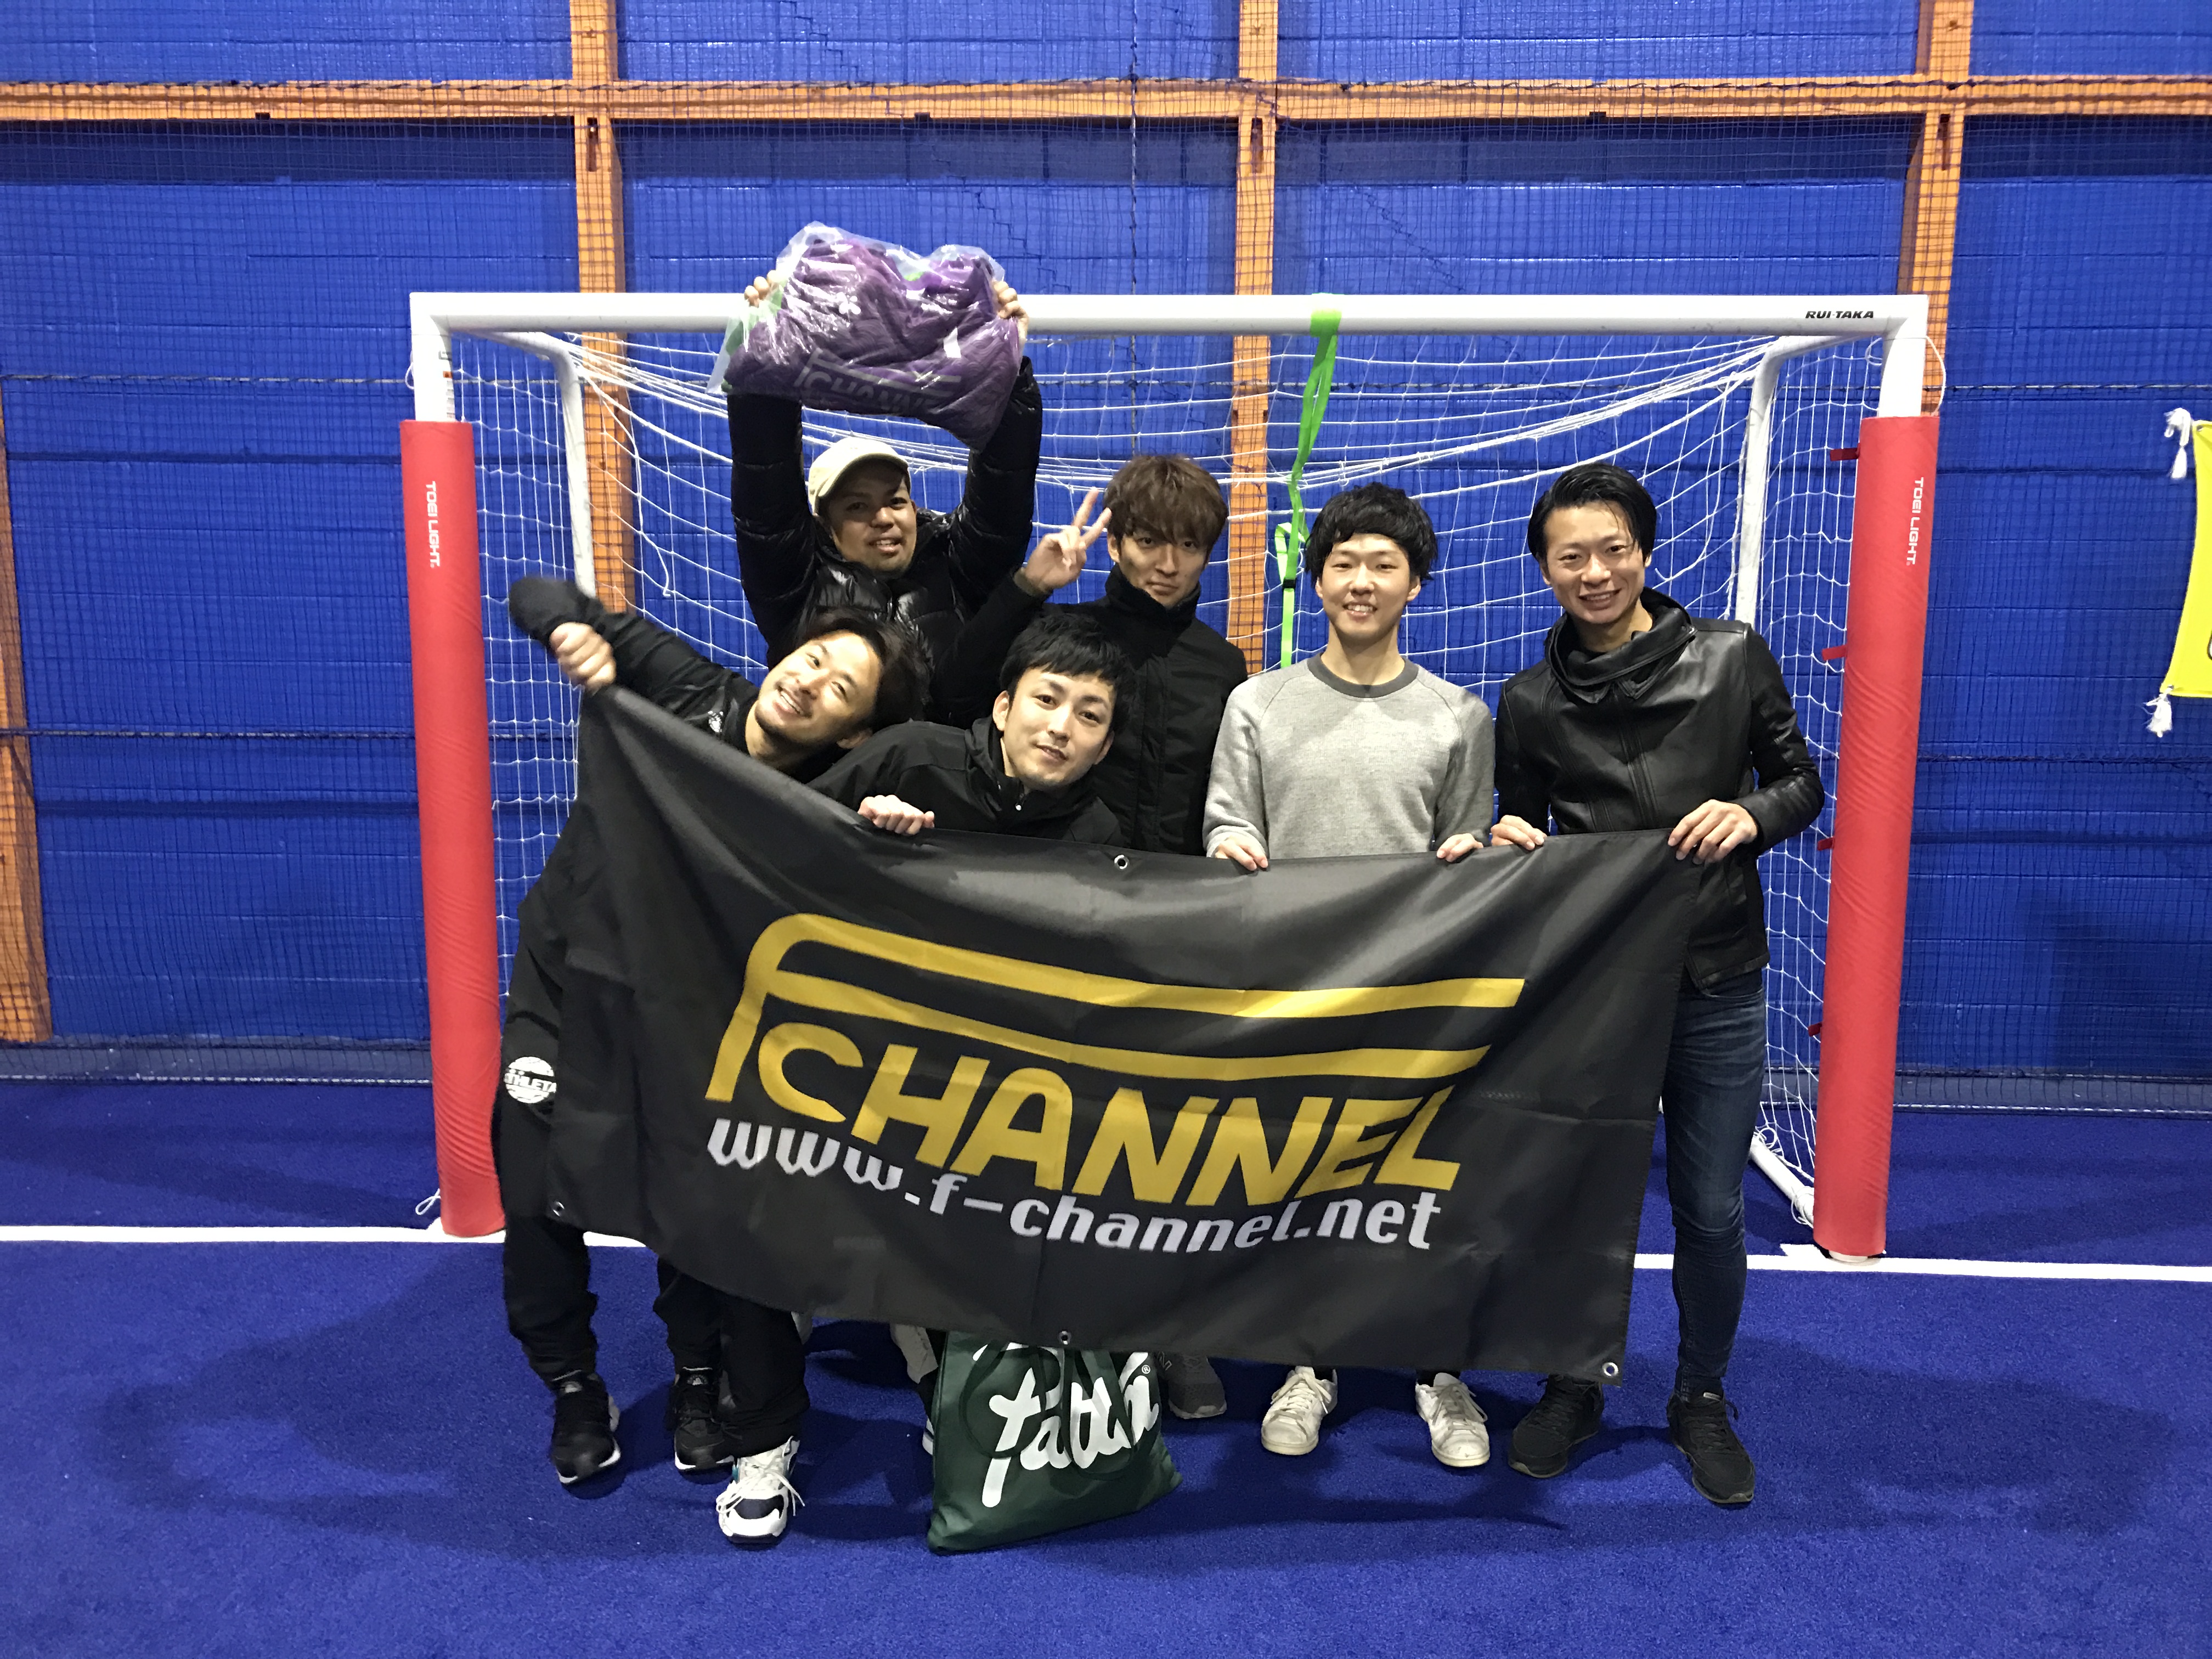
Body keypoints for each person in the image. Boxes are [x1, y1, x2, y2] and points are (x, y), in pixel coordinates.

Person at [701, 611, 1135, 1545]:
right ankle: (763, 1439)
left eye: (1089, 715)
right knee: (759, 1232)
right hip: (826, 1065)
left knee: (980, 1230)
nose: (1061, 726)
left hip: (966, 1096)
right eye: (1047, 700)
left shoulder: (1100, 835)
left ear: (1105, 745)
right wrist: (859, 836)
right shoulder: (907, 755)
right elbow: (772, 853)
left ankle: (941, 1370)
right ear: (1003, 706)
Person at [495, 577, 928, 1500]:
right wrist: (569, 629)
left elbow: (900, 876)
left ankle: (698, 1378)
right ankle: (573, 1388)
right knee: (535, 1195)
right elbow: (536, 591)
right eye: (814, 658)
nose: (808, 682)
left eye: (840, 689)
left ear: (853, 733)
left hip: (686, 1019)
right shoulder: (687, 686)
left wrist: (895, 832)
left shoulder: (821, 803)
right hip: (564, 990)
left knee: (691, 1206)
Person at [1490, 461, 1822, 1508]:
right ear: (1543, 567)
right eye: (1570, 556)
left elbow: (1801, 781)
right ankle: (1570, 1381)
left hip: (1717, 978)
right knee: (1578, 1203)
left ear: (1644, 550)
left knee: (1712, 1209)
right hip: (1593, 987)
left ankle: (1700, 1394)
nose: (1593, 571)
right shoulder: (1528, 701)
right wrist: (1508, 842)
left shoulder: (1731, 655)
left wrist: (1751, 814)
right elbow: (1522, 825)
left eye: (1612, 549)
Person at [930, 453, 1248, 1419]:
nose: (1166, 563)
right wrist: (1030, 586)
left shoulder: (1224, 666)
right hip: (1049, 921)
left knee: (1162, 1144)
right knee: (1042, 1136)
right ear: (1118, 542)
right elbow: (952, 693)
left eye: (1188, 546)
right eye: (1147, 540)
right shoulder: (1059, 635)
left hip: (1173, 936)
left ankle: (1167, 1332)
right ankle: (1025, 1327)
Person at [1202, 482, 1496, 1470]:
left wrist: (1473, 858)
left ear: (1415, 583)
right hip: (1292, 993)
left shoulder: (1459, 716)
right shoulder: (1258, 702)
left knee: (1422, 1191)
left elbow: (1465, 850)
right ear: (1317, 578)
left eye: (1383, 565)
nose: (1361, 581)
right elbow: (1227, 822)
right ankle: (1307, 1363)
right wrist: (1231, 846)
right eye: (1343, 563)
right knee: (1306, 1186)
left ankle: (1438, 1371)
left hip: (1415, 999)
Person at [725, 268, 1042, 682]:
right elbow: (766, 484)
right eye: (858, 506)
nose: (884, 518)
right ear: (824, 526)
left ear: (914, 507)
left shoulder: (961, 571)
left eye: (895, 501)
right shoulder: (796, 594)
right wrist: (765, 346)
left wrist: (1005, 364)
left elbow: (1005, 481)